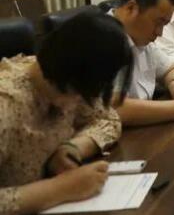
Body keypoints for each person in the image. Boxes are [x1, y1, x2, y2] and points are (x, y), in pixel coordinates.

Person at [0, 12, 131, 214]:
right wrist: (61, 189)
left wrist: (74, 147)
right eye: (76, 95)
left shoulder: (69, 85)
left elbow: (108, 118)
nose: (74, 107)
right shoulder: (6, 105)